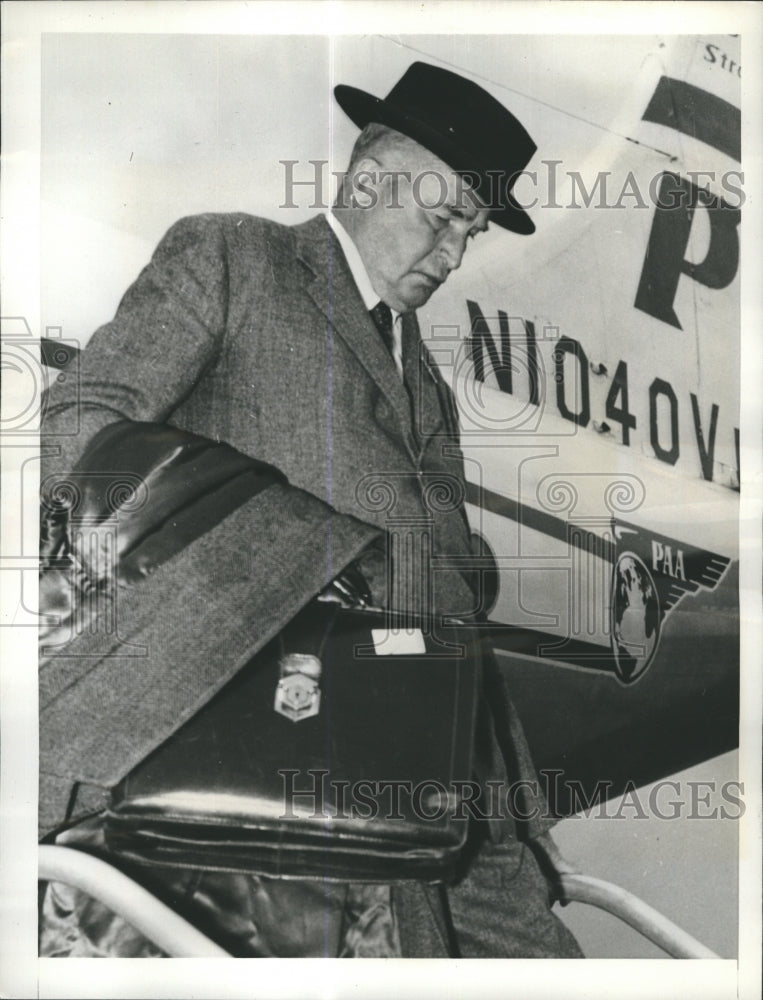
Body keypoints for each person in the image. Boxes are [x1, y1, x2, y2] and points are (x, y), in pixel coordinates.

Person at [38, 60, 582, 958]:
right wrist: (290, 566)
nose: (449, 257)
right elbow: (80, 430)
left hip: (445, 757)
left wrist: (457, 579)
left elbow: (439, 560)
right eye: (442, 217)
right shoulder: (232, 257)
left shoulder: (429, 382)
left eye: (470, 234)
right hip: (284, 738)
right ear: (368, 177)